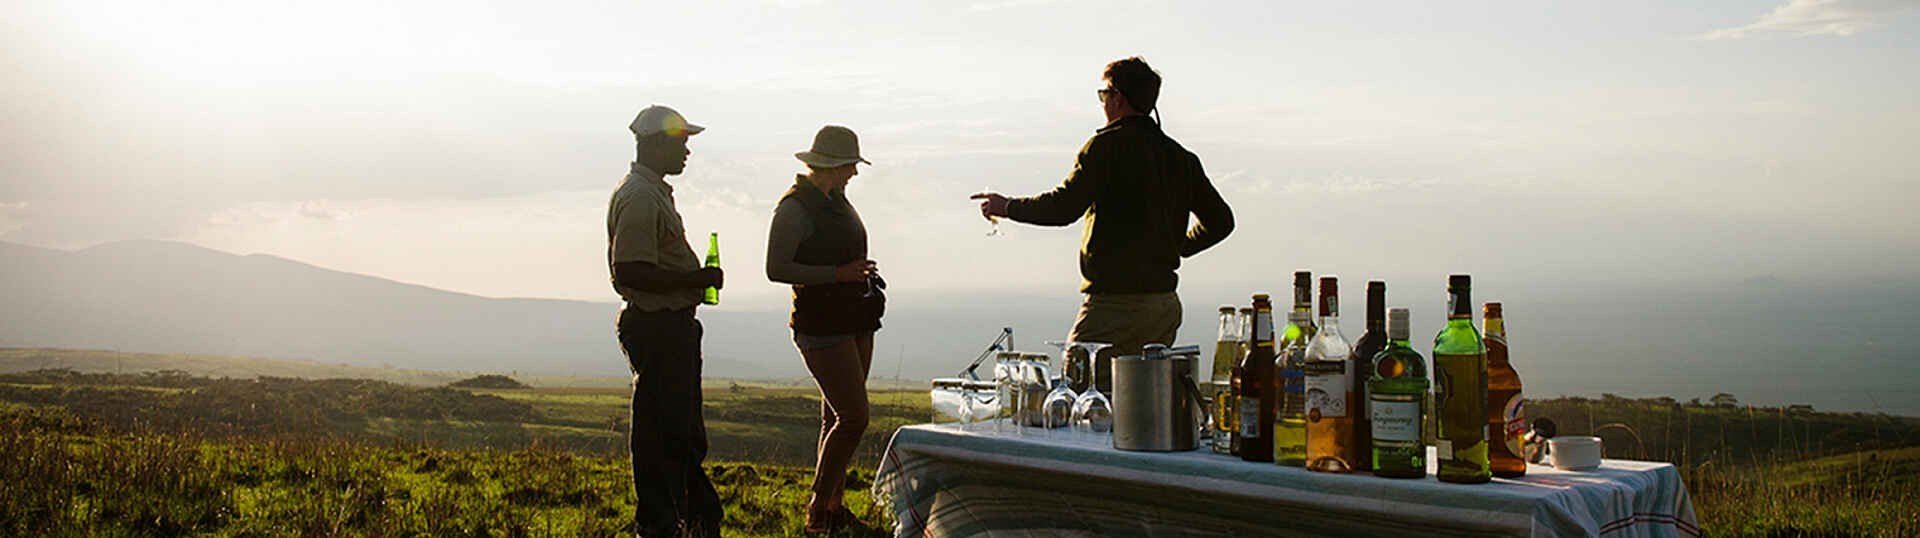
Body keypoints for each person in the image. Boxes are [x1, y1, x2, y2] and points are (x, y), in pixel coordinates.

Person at [971, 57, 1234, 394]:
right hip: (1163, 306)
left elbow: (1064, 206)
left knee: (1082, 398)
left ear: (1118, 97)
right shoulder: (1181, 158)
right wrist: (1177, 246)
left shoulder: (1106, 147)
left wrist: (1007, 207)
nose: (1102, 102)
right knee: (1140, 405)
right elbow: (1221, 222)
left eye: (1103, 94)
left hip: (1112, 308)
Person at [607, 104, 725, 538]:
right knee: (670, 432)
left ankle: (679, 518)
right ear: (656, 143)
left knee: (677, 430)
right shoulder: (640, 197)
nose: (687, 152)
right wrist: (694, 278)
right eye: (681, 142)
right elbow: (630, 270)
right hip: (659, 326)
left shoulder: (649, 191)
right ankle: (672, 521)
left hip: (667, 325)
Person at [766, 125, 883, 534]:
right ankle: (819, 506)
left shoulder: (836, 200)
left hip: (855, 319)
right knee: (854, 417)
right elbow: (776, 269)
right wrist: (839, 274)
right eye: (851, 165)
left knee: (836, 416)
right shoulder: (794, 208)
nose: (854, 172)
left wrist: (856, 275)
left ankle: (832, 507)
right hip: (821, 325)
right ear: (834, 165)